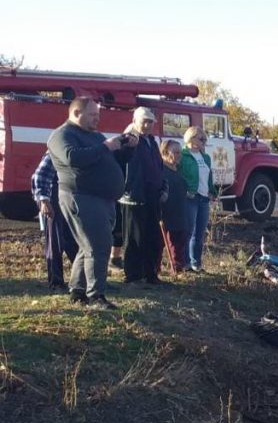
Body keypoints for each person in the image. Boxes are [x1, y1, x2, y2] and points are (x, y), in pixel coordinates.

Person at [47, 97, 136, 310]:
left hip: (102, 199)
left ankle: (78, 291)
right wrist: (106, 146)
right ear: (77, 113)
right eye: (93, 115)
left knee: (88, 246)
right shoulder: (62, 135)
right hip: (81, 196)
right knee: (98, 246)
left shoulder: (95, 136)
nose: (98, 119)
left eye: (98, 115)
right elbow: (73, 158)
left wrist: (127, 148)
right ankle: (96, 296)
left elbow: (113, 160)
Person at [121, 107, 166, 284]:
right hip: (134, 196)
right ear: (135, 120)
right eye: (144, 121)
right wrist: (129, 188)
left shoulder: (152, 142)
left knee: (152, 236)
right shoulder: (128, 139)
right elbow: (124, 164)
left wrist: (163, 187)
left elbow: (158, 167)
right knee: (134, 238)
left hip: (152, 195)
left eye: (150, 122)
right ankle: (133, 276)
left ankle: (150, 273)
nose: (147, 125)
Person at [30, 152, 78, 291]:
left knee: (74, 241)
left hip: (70, 198)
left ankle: (83, 278)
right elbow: (40, 175)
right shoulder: (56, 151)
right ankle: (56, 282)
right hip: (53, 200)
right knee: (55, 243)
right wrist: (44, 201)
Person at [179, 126, 216, 273]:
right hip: (191, 197)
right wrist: (185, 191)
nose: (204, 142)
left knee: (199, 234)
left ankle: (197, 264)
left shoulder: (205, 157)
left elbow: (208, 177)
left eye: (205, 139)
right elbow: (178, 175)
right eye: (201, 139)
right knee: (188, 231)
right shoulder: (183, 155)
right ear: (191, 138)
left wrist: (212, 191)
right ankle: (184, 263)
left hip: (204, 198)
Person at [159, 140, 190, 273]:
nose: (179, 155)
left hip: (180, 212)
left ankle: (178, 268)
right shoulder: (161, 170)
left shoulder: (178, 169)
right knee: (164, 242)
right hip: (166, 213)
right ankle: (156, 269)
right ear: (166, 152)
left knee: (180, 241)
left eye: (180, 153)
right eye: (175, 152)